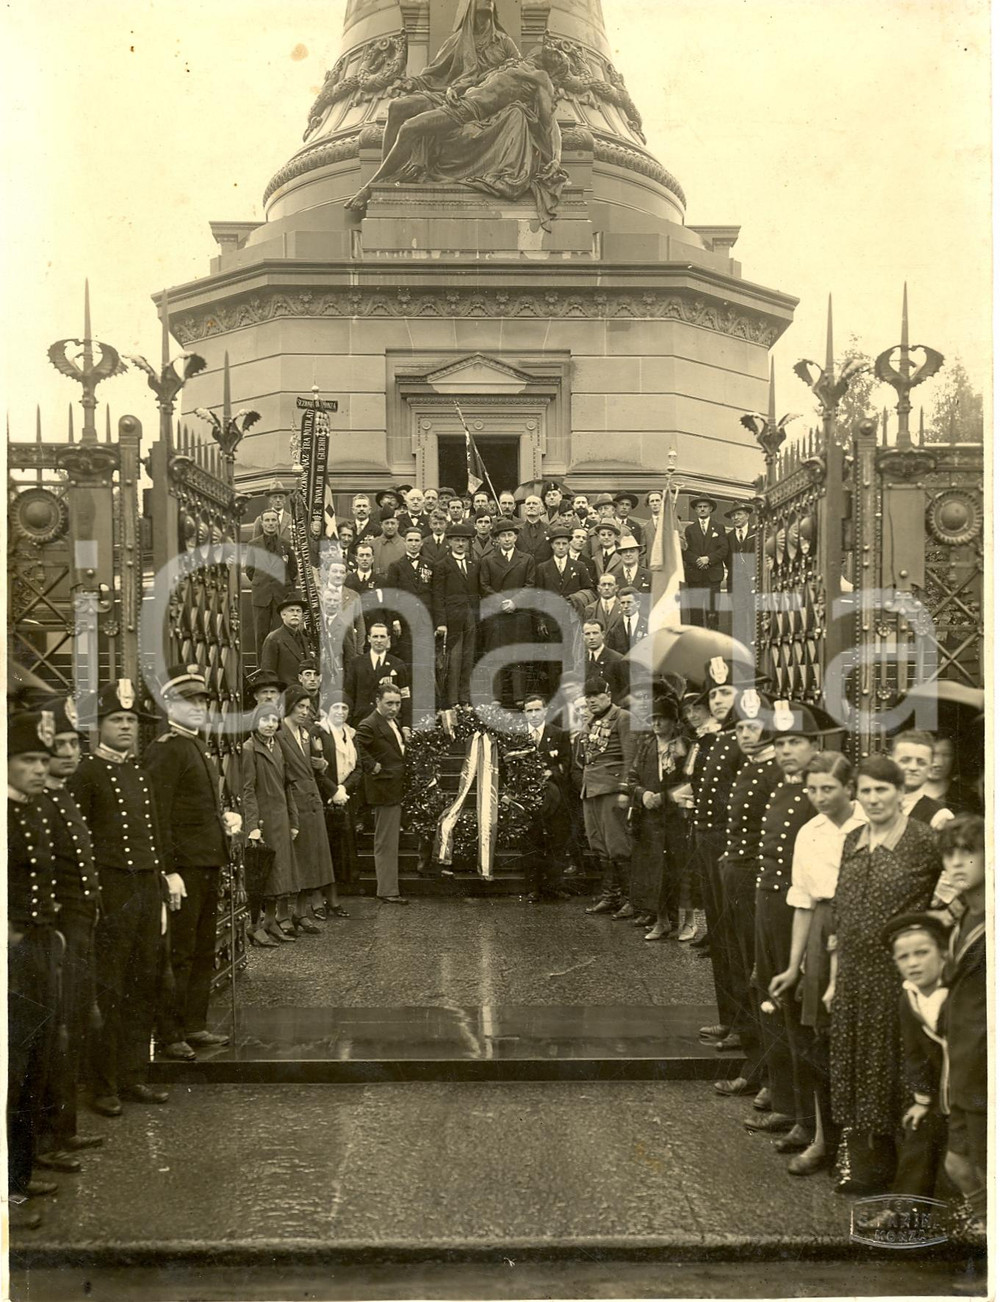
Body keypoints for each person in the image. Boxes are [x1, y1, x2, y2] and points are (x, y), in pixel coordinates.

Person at [826, 755, 943, 1194]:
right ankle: (864, 1163)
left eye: (883, 790)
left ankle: (907, 1176)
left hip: (899, 979)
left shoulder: (923, 841)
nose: (873, 798)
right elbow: (840, 915)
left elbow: (956, 893)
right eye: (866, 790)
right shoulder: (852, 839)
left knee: (901, 1068)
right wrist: (835, 978)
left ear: (900, 793)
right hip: (855, 978)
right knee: (856, 1065)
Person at [67, 681, 168, 1116]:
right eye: (118, 720)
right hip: (112, 892)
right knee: (108, 988)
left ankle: (134, 1075)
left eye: (131, 720)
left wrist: (161, 887)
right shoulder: (86, 773)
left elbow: (153, 836)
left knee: (143, 983)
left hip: (144, 890)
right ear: (100, 726)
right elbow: (78, 842)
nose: (126, 727)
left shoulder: (139, 772)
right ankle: (103, 1084)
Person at [768, 753, 867, 1177]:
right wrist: (794, 967)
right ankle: (824, 1140)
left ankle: (860, 1152)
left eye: (829, 788)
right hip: (821, 932)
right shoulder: (808, 832)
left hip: (862, 928)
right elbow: (804, 905)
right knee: (818, 1041)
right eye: (812, 789)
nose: (820, 797)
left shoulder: (870, 826)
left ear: (849, 787)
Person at [143, 665, 234, 1061]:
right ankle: (169, 1031)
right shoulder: (166, 749)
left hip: (206, 861)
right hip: (184, 868)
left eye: (202, 701)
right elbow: (158, 815)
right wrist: (168, 870)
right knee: (178, 950)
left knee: (200, 948)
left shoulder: (196, 746)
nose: (198, 707)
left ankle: (193, 1024)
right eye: (189, 702)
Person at [35, 697, 103, 1171]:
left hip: (77, 924)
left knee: (72, 1022)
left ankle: (63, 1129)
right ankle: (43, 1142)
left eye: (72, 744)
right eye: (56, 745)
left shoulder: (63, 796)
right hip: (54, 929)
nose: (67, 753)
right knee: (50, 1033)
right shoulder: (40, 802)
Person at [712, 688, 780, 1099]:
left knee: (759, 973)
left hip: (758, 882)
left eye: (754, 727)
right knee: (742, 966)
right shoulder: (750, 768)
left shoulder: (773, 773)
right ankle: (756, 1065)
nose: (746, 735)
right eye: (740, 727)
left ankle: (766, 1072)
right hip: (738, 876)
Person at [7, 711, 61, 1223]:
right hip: (11, 954)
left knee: (30, 1064)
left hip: (37, 947)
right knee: (10, 1068)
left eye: (43, 760)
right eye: (27, 759)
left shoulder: (34, 810)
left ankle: (19, 1178)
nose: (39, 769)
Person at [938, 815, 987, 1240]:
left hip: (985, 1066)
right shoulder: (962, 915)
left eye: (968, 854)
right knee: (958, 1164)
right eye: (950, 854)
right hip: (961, 1063)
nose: (956, 863)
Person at [879, 912, 951, 1199]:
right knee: (918, 1126)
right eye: (904, 957)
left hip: (976, 1089)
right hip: (941, 1091)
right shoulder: (909, 996)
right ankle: (905, 1213)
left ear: (943, 953)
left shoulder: (959, 992)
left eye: (922, 953)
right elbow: (915, 1053)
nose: (913, 963)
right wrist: (922, 1099)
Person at [276, 686, 338, 932]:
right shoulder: (279, 733)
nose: (304, 711)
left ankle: (300, 913)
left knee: (311, 860)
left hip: (311, 801)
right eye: (299, 706)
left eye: (307, 707)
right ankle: (282, 914)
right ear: (289, 705)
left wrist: (321, 765)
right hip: (292, 800)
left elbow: (313, 764)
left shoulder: (307, 733)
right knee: (292, 860)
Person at [242, 702, 301, 946]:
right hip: (265, 820)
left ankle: (270, 922)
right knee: (262, 875)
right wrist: (252, 825)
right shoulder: (249, 749)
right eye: (264, 719)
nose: (269, 725)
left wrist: (293, 819)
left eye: (273, 720)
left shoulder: (278, 746)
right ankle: (254, 926)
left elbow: (287, 786)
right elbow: (247, 790)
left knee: (280, 874)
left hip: (281, 819)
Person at [625, 695, 684, 931]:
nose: (657, 724)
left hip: (675, 817)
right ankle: (658, 917)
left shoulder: (682, 746)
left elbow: (690, 780)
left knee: (674, 868)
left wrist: (666, 796)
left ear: (673, 721)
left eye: (662, 719)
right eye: (653, 719)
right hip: (649, 817)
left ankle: (677, 917)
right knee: (652, 868)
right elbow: (632, 778)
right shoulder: (646, 746)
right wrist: (643, 794)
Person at [580, 675, 637, 916]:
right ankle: (610, 896)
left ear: (609, 696)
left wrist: (625, 788)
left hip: (612, 788)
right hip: (591, 788)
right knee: (599, 844)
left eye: (596, 695)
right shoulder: (591, 721)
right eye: (588, 696)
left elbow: (630, 756)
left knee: (618, 846)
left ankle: (630, 898)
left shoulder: (623, 718)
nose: (591, 700)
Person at [355, 682, 409, 904]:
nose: (394, 708)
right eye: (389, 703)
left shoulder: (390, 721)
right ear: (377, 702)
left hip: (393, 787)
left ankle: (388, 888)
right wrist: (372, 765)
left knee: (389, 840)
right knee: (385, 842)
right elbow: (356, 744)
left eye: (397, 703)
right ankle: (387, 890)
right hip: (384, 789)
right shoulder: (370, 724)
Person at [519, 694, 573, 902]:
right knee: (531, 840)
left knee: (556, 840)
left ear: (545, 711)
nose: (533, 714)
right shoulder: (518, 736)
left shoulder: (558, 734)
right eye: (529, 710)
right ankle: (532, 887)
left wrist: (552, 772)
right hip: (528, 797)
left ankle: (554, 886)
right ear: (524, 714)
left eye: (537, 710)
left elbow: (566, 763)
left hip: (554, 797)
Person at [479, 519, 536, 707]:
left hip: (518, 614)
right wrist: (501, 602)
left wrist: (515, 602)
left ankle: (519, 697)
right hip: (497, 614)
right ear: (496, 539)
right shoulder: (487, 560)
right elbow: (484, 585)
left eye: (510, 535)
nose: (507, 539)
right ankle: (496, 696)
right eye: (503, 535)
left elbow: (530, 585)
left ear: (516, 537)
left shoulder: (526, 559)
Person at [314, 698, 363, 896]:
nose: (341, 711)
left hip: (344, 797)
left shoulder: (351, 734)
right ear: (327, 710)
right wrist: (333, 791)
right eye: (336, 707)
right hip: (325, 797)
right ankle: (321, 898)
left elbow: (358, 768)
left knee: (344, 847)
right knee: (325, 849)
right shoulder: (318, 732)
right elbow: (315, 767)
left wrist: (344, 789)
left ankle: (337, 896)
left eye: (344, 707)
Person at [432, 521, 480, 709]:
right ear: (449, 542)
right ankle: (452, 701)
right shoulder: (442, 565)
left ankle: (465, 699)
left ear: (468, 543)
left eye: (464, 541)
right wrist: (441, 622)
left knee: (468, 659)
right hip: (452, 619)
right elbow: (438, 596)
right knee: (455, 660)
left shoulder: (474, 564)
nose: (460, 544)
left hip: (471, 617)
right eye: (457, 540)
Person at [245, 507, 295, 660]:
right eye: (267, 520)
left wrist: (282, 584)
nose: (270, 523)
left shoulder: (285, 545)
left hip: (280, 597)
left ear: (277, 523)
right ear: (262, 523)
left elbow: (293, 570)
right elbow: (250, 571)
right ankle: (263, 672)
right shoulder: (253, 544)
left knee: (281, 634)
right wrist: (263, 583)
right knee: (261, 635)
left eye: (273, 520)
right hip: (261, 596)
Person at [345, 621, 410, 726]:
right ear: (369, 639)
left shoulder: (397, 664)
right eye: (375, 636)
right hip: (361, 722)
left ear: (388, 639)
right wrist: (347, 724)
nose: (379, 640)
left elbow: (405, 697)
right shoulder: (356, 663)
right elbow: (348, 696)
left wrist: (406, 726)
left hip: (389, 722)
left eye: (382, 637)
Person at [889, 730, 954, 829]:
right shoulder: (867, 805)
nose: (913, 767)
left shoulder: (940, 817)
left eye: (921, 762)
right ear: (891, 762)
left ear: (930, 766)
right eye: (905, 760)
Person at [682, 495, 728, 629]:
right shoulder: (689, 530)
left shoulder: (719, 527)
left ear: (711, 509)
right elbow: (685, 551)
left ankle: (713, 644)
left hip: (712, 577)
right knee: (695, 613)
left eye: (705, 507)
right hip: (695, 576)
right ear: (696, 510)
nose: (702, 509)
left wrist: (709, 559)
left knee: (712, 613)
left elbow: (724, 549)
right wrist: (697, 560)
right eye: (699, 507)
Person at [260, 590, 311, 687]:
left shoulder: (304, 638)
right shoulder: (273, 639)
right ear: (283, 615)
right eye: (291, 610)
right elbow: (268, 673)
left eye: (298, 611)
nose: (295, 614)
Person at [724, 503, 757, 651]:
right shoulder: (729, 536)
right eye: (733, 516)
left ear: (747, 515)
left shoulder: (757, 532)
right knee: (738, 620)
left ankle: (757, 651)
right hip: (736, 584)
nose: (735, 518)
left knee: (755, 618)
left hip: (754, 584)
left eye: (739, 514)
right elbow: (728, 560)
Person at [580, 619, 627, 703]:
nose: (591, 637)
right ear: (582, 637)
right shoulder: (581, 663)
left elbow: (626, 692)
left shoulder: (617, 659)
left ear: (603, 635)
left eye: (595, 633)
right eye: (587, 634)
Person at [517, 495, 553, 565]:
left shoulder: (550, 530)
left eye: (535, 503)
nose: (531, 506)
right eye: (528, 504)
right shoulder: (517, 531)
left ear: (541, 509)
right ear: (525, 509)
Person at [371, 506, 406, 573]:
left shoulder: (405, 544)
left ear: (397, 524)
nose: (390, 527)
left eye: (392, 523)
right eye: (387, 523)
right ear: (381, 525)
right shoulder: (373, 544)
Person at [640, 489, 663, 558]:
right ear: (648, 504)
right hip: (652, 565)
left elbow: (684, 545)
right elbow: (643, 550)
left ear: (662, 502)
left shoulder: (673, 522)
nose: (655, 503)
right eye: (652, 501)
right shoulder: (645, 527)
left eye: (657, 500)